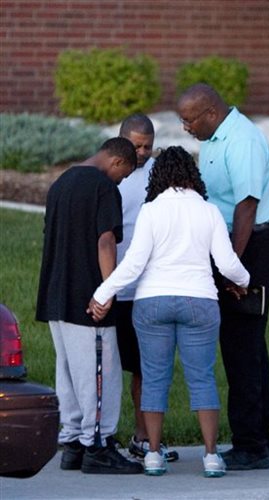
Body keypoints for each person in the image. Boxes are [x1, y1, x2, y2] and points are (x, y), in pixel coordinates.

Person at [87, 146, 250, 478]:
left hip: (152, 302)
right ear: (193, 174)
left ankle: (153, 455)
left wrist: (102, 293)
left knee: (154, 378)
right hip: (200, 301)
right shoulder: (208, 211)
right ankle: (210, 456)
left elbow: (133, 264)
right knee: (202, 377)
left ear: (156, 175)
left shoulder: (151, 211)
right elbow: (227, 263)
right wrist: (244, 281)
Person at [177, 83, 269, 470]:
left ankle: (252, 445)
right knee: (246, 344)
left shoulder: (242, 139)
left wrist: (233, 269)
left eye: (189, 120)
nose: (186, 127)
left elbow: (246, 206)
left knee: (243, 344)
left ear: (210, 113)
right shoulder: (215, 137)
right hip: (232, 246)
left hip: (251, 246)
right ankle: (260, 441)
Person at [36, 137, 143, 475]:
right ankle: (97, 444)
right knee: (100, 373)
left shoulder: (61, 183)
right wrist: (107, 291)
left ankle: (72, 444)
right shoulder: (102, 187)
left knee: (67, 372)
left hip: (55, 296)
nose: (121, 181)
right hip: (87, 300)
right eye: (124, 175)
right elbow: (105, 239)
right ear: (118, 162)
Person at [116, 113, 178, 462]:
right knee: (110, 369)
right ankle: (96, 440)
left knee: (146, 370)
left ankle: (144, 439)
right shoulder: (109, 176)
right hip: (118, 288)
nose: (141, 152)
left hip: (151, 289)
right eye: (136, 145)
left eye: (147, 146)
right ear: (121, 140)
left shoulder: (160, 176)